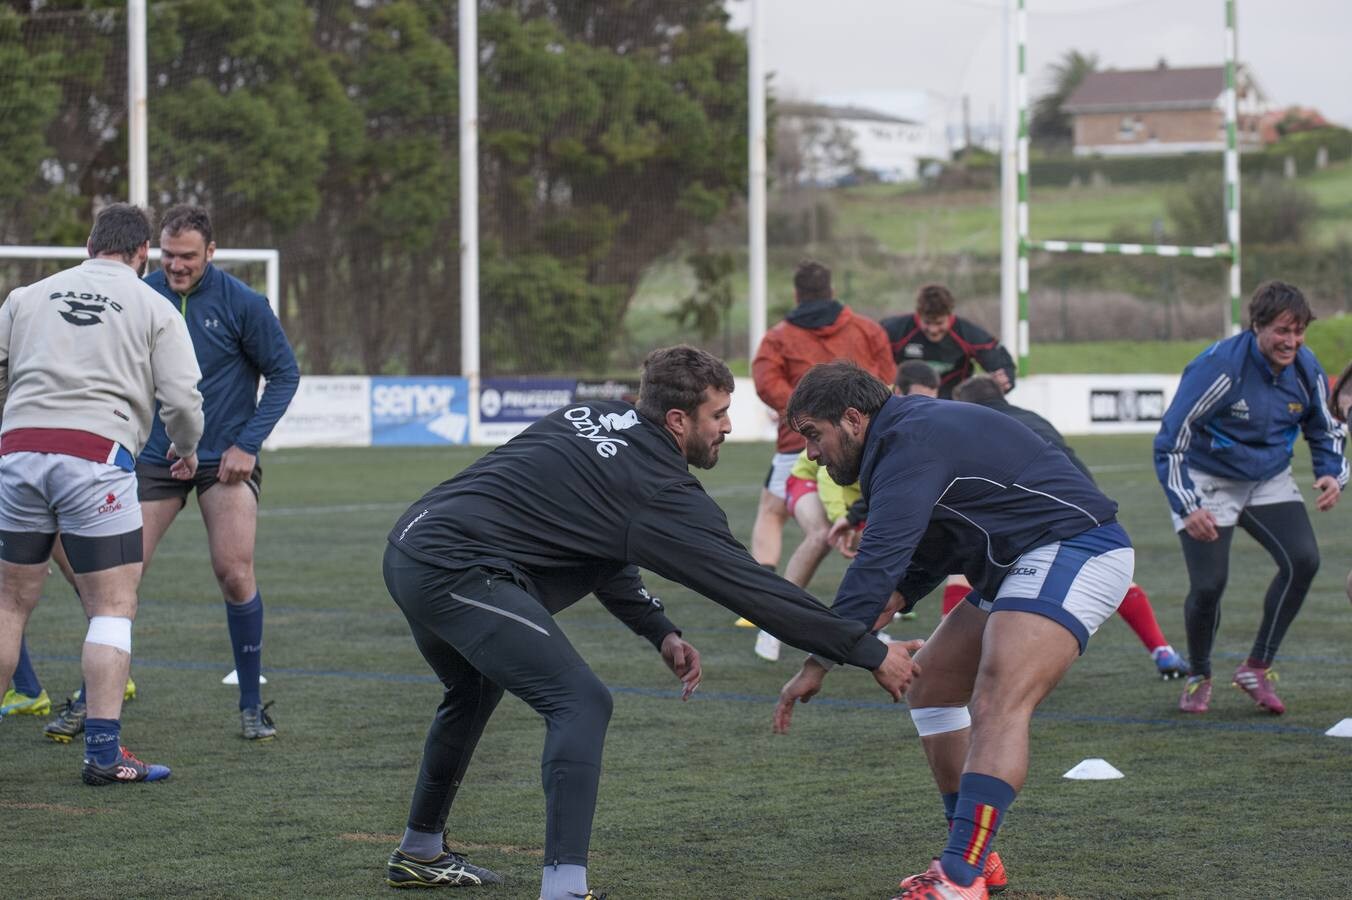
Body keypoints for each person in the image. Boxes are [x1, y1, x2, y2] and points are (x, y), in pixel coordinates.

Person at [382, 345, 921, 899]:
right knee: (581, 701)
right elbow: (757, 592)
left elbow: (595, 541)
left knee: (472, 692)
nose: (729, 427)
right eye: (718, 415)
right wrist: (871, 651)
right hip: (455, 569)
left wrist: (658, 630)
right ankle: (564, 890)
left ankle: (419, 852)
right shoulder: (659, 488)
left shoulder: (586, 416)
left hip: (414, 547)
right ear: (677, 420)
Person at [773, 361, 1134, 899]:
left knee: (996, 700)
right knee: (934, 683)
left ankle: (959, 877)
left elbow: (877, 565)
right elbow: (920, 562)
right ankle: (976, 858)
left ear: (852, 418)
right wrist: (835, 649)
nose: (811, 453)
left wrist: (818, 660)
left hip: (1076, 547)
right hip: (1021, 560)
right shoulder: (901, 436)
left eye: (812, 434)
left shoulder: (907, 440)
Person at [39, 204, 301, 744]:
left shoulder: (244, 304)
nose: (176, 266)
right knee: (119, 581)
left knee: (233, 570)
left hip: (222, 462)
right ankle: (92, 699)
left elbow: (285, 374)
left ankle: (252, 705)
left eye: (187, 256)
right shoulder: (138, 293)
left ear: (211, 252)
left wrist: (246, 445)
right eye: (168, 255)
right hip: (153, 459)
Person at [0, 203, 204, 784]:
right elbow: (183, 400)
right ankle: (104, 756)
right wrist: (186, 449)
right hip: (94, 456)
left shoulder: (26, 296)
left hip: (17, 450)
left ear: (90, 244)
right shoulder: (153, 304)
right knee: (113, 607)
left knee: (10, 603)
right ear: (144, 254)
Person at [1155, 281, 1346, 716]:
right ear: (1257, 326)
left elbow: (1325, 425)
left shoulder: (1305, 367)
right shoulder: (1219, 368)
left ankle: (1257, 667)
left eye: (1299, 332)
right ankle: (1199, 674)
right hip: (1208, 478)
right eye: (1282, 331)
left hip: (1268, 478)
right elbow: (1170, 441)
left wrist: (1331, 473)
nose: (1291, 342)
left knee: (1304, 560)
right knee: (1208, 585)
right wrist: (1188, 503)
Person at [953, 374, 1189, 679]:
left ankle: (958, 663)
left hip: (1031, 507)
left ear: (965, 404)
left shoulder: (974, 424)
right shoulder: (1032, 417)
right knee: (1111, 575)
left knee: (961, 572)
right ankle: (1163, 651)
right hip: (1083, 499)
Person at [745, 260, 894, 633]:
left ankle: (761, 598)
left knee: (772, 511)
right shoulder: (866, 328)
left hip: (797, 444)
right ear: (831, 291)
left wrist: (805, 417)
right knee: (869, 516)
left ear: (796, 294)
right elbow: (886, 377)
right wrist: (850, 416)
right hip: (862, 441)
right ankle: (888, 599)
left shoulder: (778, 336)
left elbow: (765, 382)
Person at [881, 283, 1015, 399]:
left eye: (939, 323)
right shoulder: (894, 330)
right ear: (918, 314)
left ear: (950, 315)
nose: (933, 330)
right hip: (905, 404)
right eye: (927, 322)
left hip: (953, 405)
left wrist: (1003, 380)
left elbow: (1000, 363)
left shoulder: (967, 333)